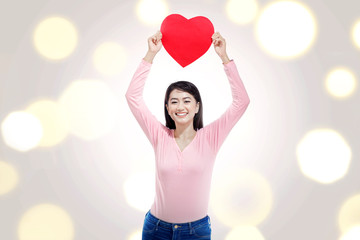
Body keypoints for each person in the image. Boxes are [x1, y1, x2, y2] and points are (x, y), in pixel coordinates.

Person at [125, 31, 250, 240]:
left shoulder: (211, 137)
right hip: (156, 229)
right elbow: (133, 97)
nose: (180, 106)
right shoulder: (159, 135)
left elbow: (242, 102)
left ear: (196, 106)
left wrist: (224, 58)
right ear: (167, 107)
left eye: (186, 100)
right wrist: (150, 54)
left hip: (195, 232)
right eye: (174, 101)